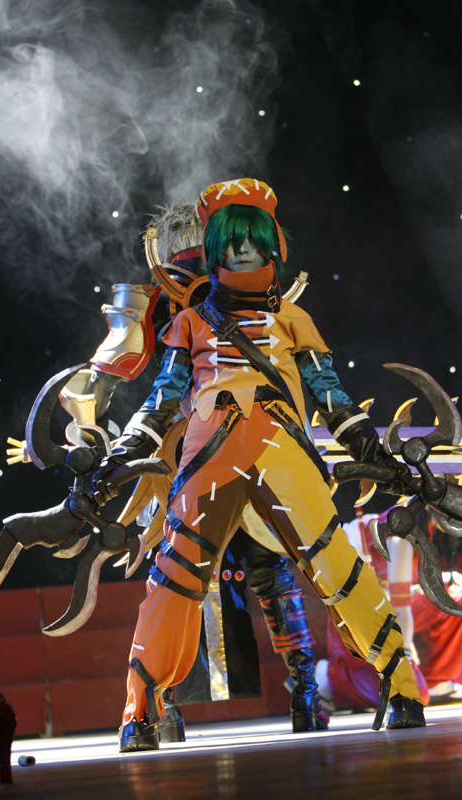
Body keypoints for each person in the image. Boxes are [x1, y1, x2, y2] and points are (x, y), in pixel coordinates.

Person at [92, 178, 425, 752]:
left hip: (280, 450)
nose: (242, 250)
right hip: (208, 456)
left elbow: (330, 394)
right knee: (174, 578)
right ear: (214, 248)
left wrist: (369, 449)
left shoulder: (293, 319)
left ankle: (401, 690)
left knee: (336, 566)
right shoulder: (189, 323)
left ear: (273, 245)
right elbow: (162, 397)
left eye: (252, 239)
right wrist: (126, 448)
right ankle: (140, 711)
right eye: (230, 240)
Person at [61, 203, 328, 737]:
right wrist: (89, 432)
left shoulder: (250, 296)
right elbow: (97, 380)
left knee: (244, 569)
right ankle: (174, 706)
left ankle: (288, 696)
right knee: (203, 575)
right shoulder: (157, 303)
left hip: (242, 441)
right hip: (189, 451)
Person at [315, 507, 462, 712]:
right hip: (360, 623)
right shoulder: (402, 532)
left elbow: (399, 587)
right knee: (413, 694)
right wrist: (404, 661)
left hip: (388, 613)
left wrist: (443, 579)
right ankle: (329, 677)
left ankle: (439, 682)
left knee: (459, 593)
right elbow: (398, 608)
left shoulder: (424, 524)